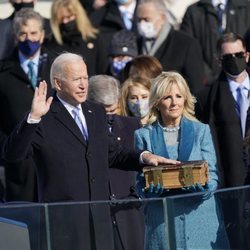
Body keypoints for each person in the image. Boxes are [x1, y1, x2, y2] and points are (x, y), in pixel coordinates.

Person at [2, 52, 178, 250]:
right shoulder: (44, 117)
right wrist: (32, 118)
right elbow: (13, 154)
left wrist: (144, 156)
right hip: (65, 226)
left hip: (100, 223)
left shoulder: (95, 112)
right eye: (77, 79)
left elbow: (114, 153)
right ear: (58, 84)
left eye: (85, 78)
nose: (84, 84)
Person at [134, 71, 229, 250]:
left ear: (185, 98)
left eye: (178, 96)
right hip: (162, 222)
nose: (174, 102)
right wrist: (150, 192)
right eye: (167, 97)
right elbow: (138, 182)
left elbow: (213, 175)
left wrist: (204, 188)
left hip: (200, 221)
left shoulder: (201, 130)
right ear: (157, 102)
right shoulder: (143, 135)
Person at [195, 32, 250, 249]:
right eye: (228, 56)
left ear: (246, 54)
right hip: (230, 180)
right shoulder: (207, 96)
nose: (234, 60)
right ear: (219, 60)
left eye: (238, 54)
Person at [0, 8, 54, 202]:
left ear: (42, 35)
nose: (28, 38)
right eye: (23, 34)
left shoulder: (56, 66)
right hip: (18, 163)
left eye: (33, 33)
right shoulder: (3, 72)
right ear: (15, 36)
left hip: (54, 158)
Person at [88, 74, 144, 250]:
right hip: (97, 213)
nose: (109, 115)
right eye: (104, 111)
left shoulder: (133, 125)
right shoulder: (82, 128)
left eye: (113, 110)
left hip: (129, 211)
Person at [136, 0, 205, 95]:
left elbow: (196, 86)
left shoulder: (186, 44)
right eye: (139, 20)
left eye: (146, 19)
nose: (142, 24)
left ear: (162, 17)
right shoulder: (136, 44)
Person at [181, 0, 250, 85]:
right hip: (206, 84)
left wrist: (242, 73)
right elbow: (188, 50)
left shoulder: (246, 7)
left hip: (243, 82)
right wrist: (207, 76)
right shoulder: (193, 11)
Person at [44, 0, 108, 76]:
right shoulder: (50, 44)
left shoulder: (94, 39)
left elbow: (103, 70)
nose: (65, 22)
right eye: (61, 19)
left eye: (69, 17)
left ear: (78, 15)